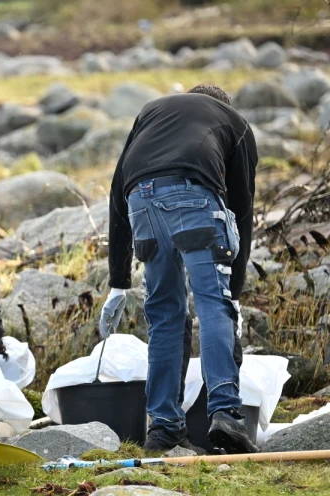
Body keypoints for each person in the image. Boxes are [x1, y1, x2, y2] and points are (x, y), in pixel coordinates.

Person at [100, 84, 258, 454]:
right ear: (223, 108)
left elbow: (116, 192)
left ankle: (164, 427)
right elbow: (242, 210)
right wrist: (232, 292)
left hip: (140, 199)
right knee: (211, 303)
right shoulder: (235, 123)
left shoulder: (152, 111)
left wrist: (118, 282)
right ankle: (225, 415)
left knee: (165, 315)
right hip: (195, 198)